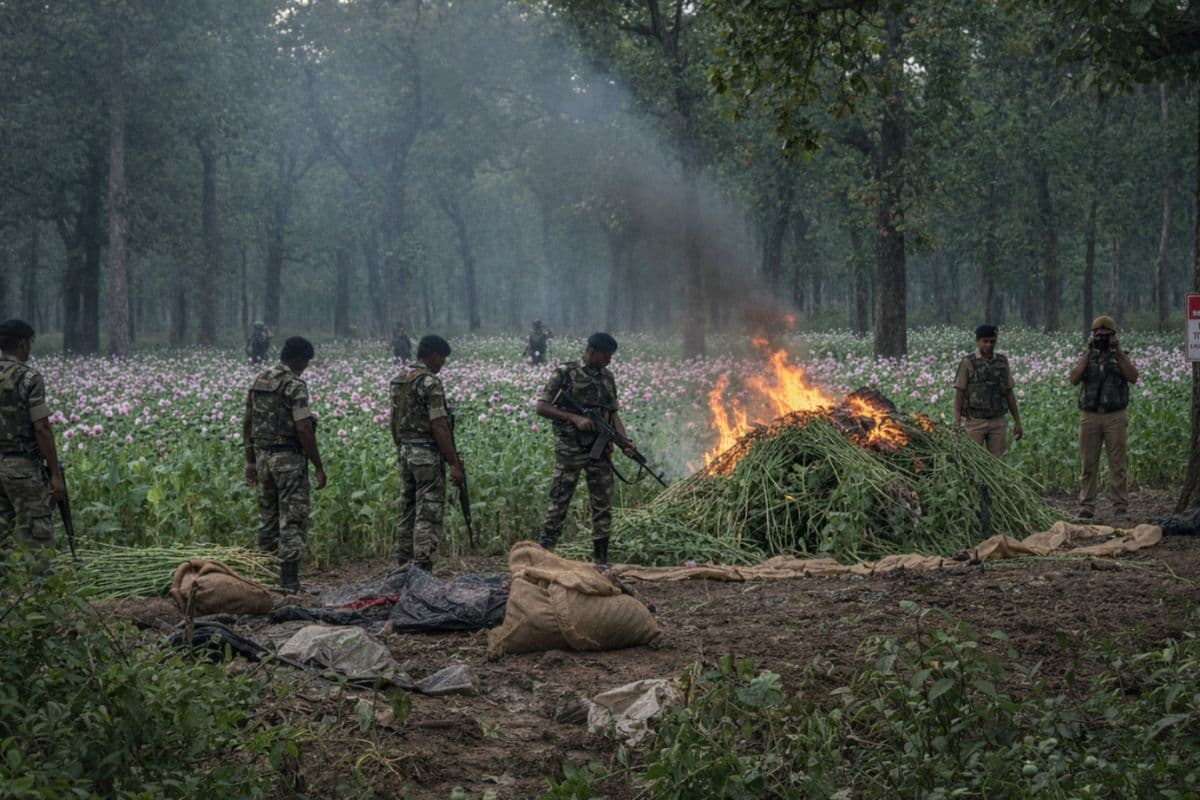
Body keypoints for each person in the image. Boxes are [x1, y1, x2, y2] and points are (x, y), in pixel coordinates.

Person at [535, 332, 636, 567]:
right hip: (570, 449)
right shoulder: (566, 372)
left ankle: (601, 560)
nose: (609, 361)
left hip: (599, 450)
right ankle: (542, 558)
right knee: (559, 502)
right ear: (592, 351)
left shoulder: (608, 378)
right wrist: (573, 417)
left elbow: (612, 414)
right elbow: (542, 406)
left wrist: (624, 442)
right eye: (606, 356)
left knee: (602, 505)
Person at [242, 335, 327, 592]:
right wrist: (318, 465)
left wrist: (251, 462)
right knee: (292, 518)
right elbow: (303, 427)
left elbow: (248, 423)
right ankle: (289, 582)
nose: (307, 367)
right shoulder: (294, 386)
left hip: (265, 458)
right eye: (306, 361)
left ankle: (264, 576)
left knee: (268, 518)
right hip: (288, 460)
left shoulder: (260, 381)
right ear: (298, 359)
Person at [390, 334, 465, 571]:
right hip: (426, 454)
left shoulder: (400, 379)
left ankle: (403, 563)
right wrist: (453, 462)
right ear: (433, 355)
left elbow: (394, 420)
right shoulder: (429, 383)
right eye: (442, 358)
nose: (442, 363)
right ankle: (422, 567)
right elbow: (439, 425)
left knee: (408, 508)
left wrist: (400, 446)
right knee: (428, 511)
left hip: (405, 451)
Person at [0, 319, 65, 557]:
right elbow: (42, 428)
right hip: (22, 469)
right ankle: (43, 589)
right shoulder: (28, 378)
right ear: (22, 344)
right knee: (37, 532)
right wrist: (55, 474)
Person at [1068, 315, 1139, 521]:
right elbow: (1073, 378)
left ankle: (1120, 506)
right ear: (1092, 336)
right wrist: (1089, 351)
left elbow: (1133, 377)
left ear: (1114, 336)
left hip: (1115, 416)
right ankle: (1087, 506)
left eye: (1106, 336)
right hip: (1089, 416)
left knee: (1117, 464)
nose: (1102, 339)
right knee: (1088, 463)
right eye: (1098, 335)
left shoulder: (1121, 356)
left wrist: (1118, 351)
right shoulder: (1086, 355)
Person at [952, 324, 1024, 456]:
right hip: (974, 421)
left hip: (998, 421)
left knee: (997, 464)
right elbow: (959, 392)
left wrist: (1017, 421)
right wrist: (957, 421)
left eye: (992, 341)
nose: (989, 345)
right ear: (977, 341)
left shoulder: (1002, 362)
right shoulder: (968, 362)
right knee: (972, 463)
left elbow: (1009, 392)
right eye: (985, 341)